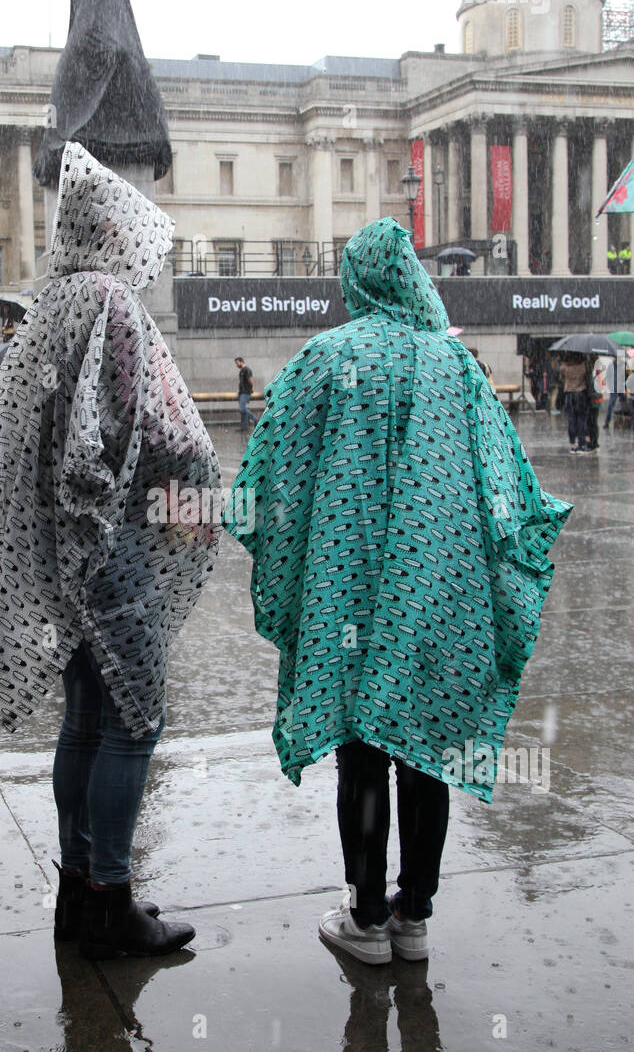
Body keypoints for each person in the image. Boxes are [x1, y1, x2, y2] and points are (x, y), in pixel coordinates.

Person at [224, 217, 570, 965]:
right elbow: (508, 488)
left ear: (355, 282)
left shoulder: (326, 357)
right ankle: (415, 916)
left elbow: (262, 483)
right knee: (427, 745)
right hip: (437, 589)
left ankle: (366, 915)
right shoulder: (458, 367)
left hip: (345, 590)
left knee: (360, 750)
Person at [0, 142, 221, 961]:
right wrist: (197, 498)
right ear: (116, 231)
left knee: (86, 714)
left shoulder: (51, 305)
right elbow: (159, 430)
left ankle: (76, 889)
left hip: (59, 545)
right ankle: (114, 901)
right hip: (114, 546)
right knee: (135, 720)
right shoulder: (115, 308)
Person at [559, 351, 589, 453]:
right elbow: (587, 376)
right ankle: (581, 443)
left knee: (571, 419)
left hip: (569, 394)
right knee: (581, 419)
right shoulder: (583, 366)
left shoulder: (564, 367)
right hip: (580, 393)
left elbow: (561, 377)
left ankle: (572, 443)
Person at [234, 356, 256, 432]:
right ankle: (244, 427)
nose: (236, 365)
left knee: (242, 408)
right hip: (241, 392)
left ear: (241, 361)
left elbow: (250, 379)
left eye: (237, 363)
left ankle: (255, 418)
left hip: (246, 392)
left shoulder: (247, 370)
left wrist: (252, 388)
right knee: (242, 411)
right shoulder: (242, 371)